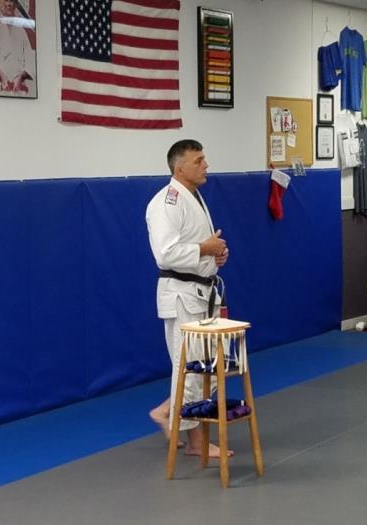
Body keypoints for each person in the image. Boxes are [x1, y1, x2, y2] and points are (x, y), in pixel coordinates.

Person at [145, 139, 232, 458]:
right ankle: (196, 442)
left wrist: (215, 255)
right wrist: (204, 249)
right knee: (191, 370)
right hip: (182, 295)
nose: (205, 165)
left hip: (202, 292)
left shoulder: (192, 196)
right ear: (180, 168)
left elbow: (197, 245)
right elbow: (166, 254)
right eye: (199, 160)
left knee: (208, 369)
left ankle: (166, 412)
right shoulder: (166, 202)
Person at [0, 0, 36, 97]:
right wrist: (1, 76)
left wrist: (20, 77)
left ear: (15, 5)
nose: (9, 4)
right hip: (2, 88)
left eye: (11, 1)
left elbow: (30, 60)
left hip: (20, 89)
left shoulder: (22, 32)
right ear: (2, 5)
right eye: (6, 1)